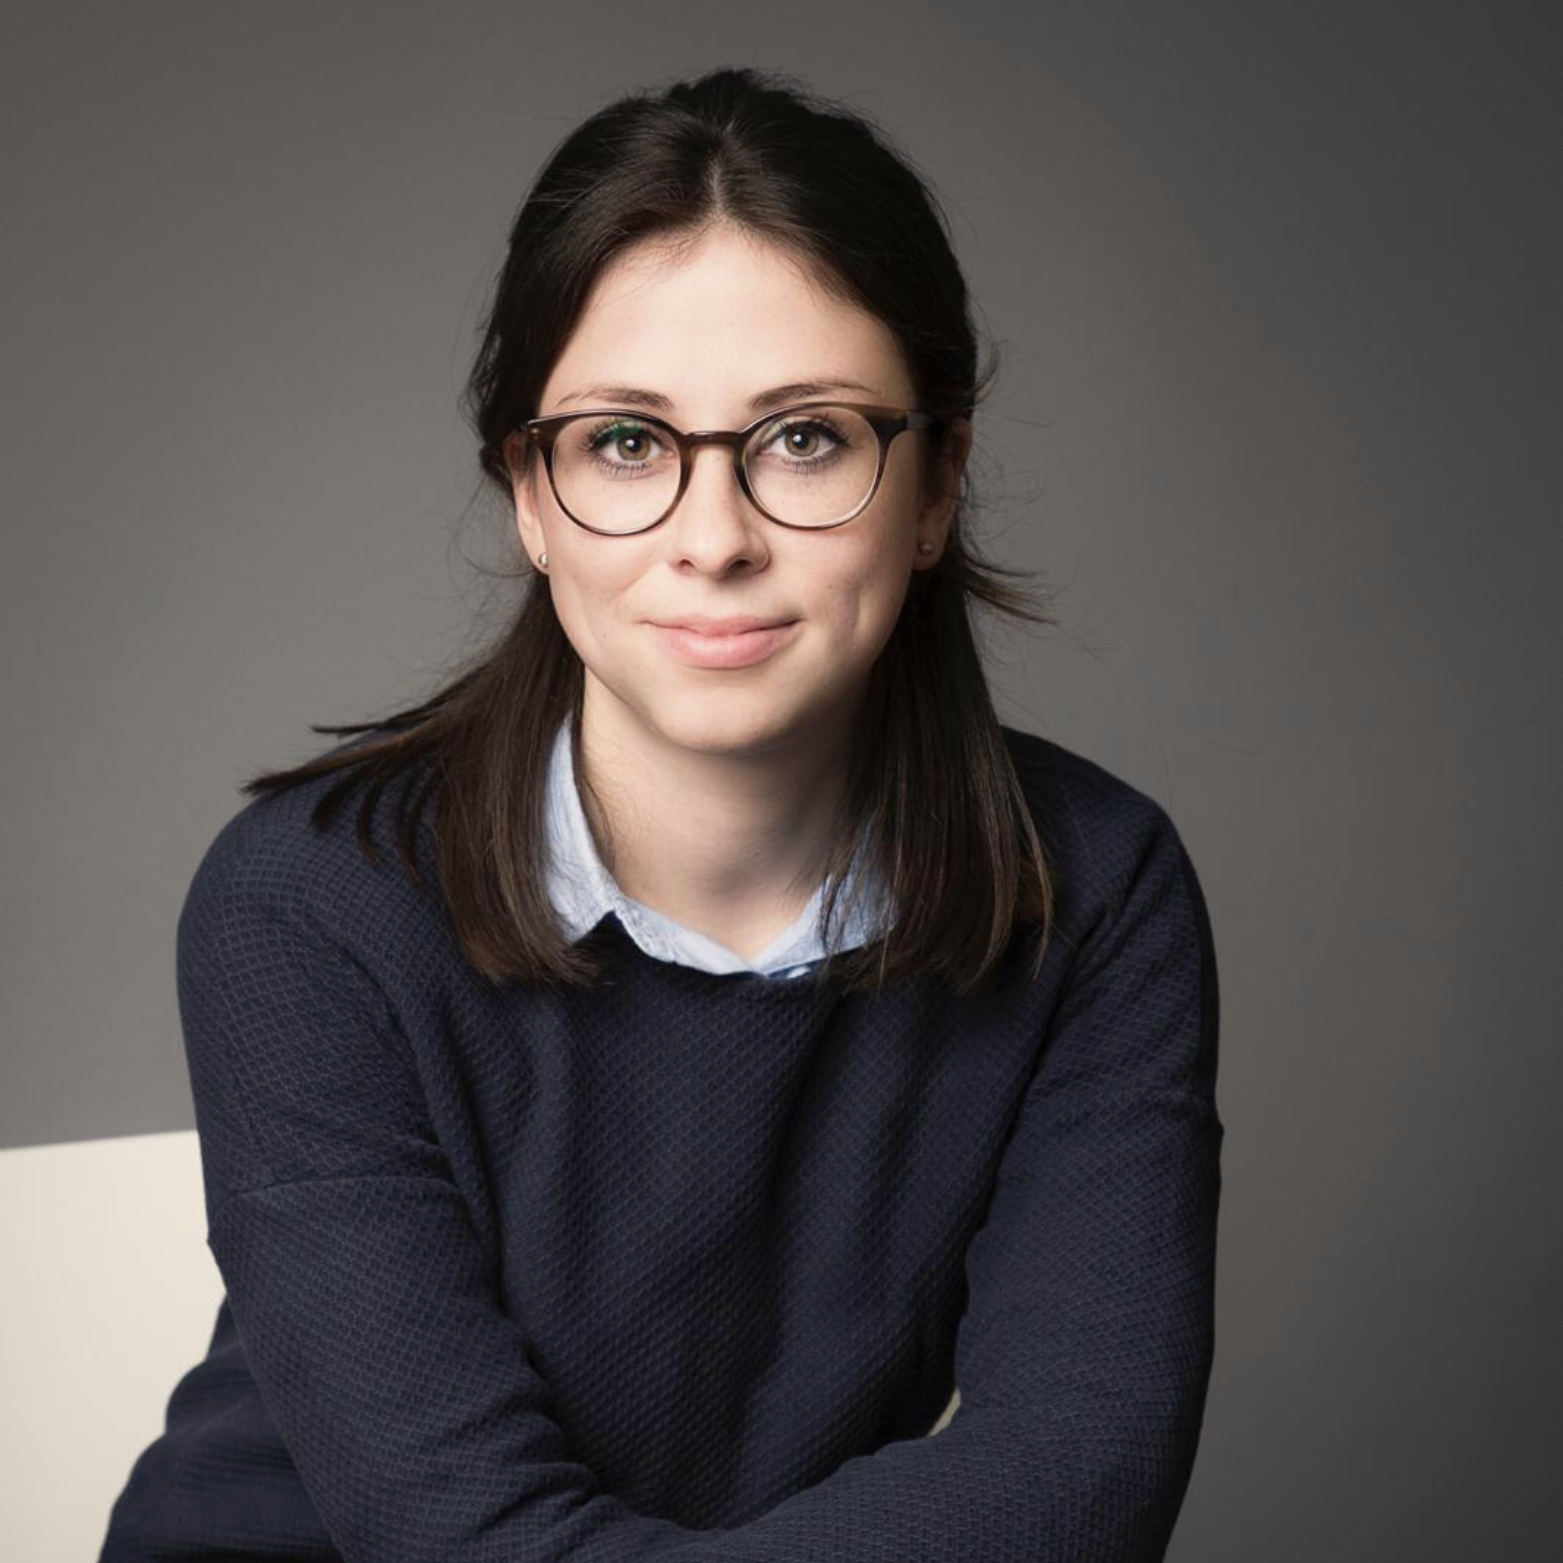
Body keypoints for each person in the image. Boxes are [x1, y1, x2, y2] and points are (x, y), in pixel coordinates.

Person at [98, 65, 1223, 1563]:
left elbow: (1082, 1471)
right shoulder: (308, 903)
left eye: (806, 438)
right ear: (529, 493)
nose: (713, 538)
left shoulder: (1092, 886)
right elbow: (468, 1540)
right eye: (627, 441)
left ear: (938, 481)